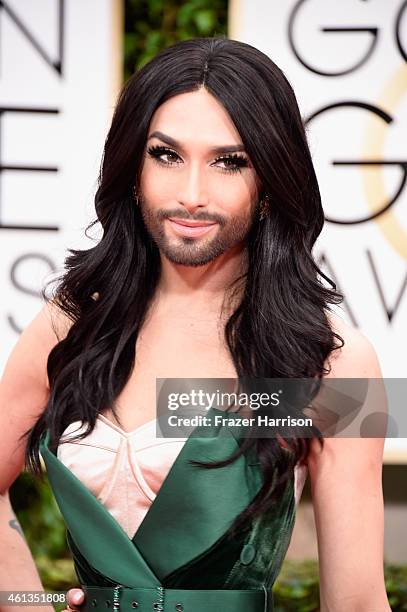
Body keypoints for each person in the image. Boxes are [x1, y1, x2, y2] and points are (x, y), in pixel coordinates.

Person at [0, 36, 390, 612]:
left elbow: (356, 601)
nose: (190, 195)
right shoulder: (70, 327)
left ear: (268, 185)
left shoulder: (334, 362)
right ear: (132, 166)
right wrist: (30, 602)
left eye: (229, 162)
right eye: (166, 154)